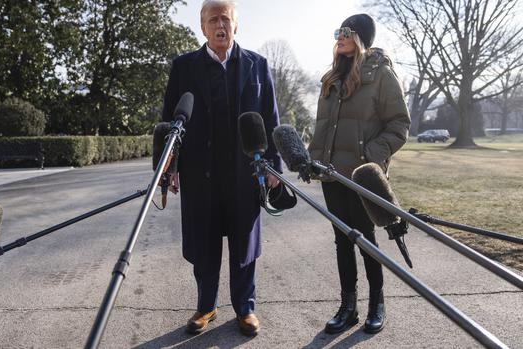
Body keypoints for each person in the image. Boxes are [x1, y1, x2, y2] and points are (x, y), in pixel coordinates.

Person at [161, 0, 281, 337]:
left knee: (244, 246)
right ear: (202, 27)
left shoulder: (258, 65)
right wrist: (169, 167)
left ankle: (245, 309)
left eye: (225, 19)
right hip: (201, 173)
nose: (220, 25)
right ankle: (206, 306)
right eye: (212, 19)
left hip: (245, 173)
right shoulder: (184, 66)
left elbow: (272, 119)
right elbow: (171, 119)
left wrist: (276, 167)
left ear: (236, 25)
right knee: (204, 244)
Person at [308, 14, 410, 334]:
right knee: (342, 239)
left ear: (361, 38)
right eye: (337, 31)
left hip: (363, 176)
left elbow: (399, 125)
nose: (339, 37)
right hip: (332, 174)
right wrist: (313, 160)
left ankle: (376, 302)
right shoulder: (330, 79)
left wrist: (370, 157)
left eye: (346, 32)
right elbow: (322, 128)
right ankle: (348, 306)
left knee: (366, 239)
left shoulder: (381, 75)